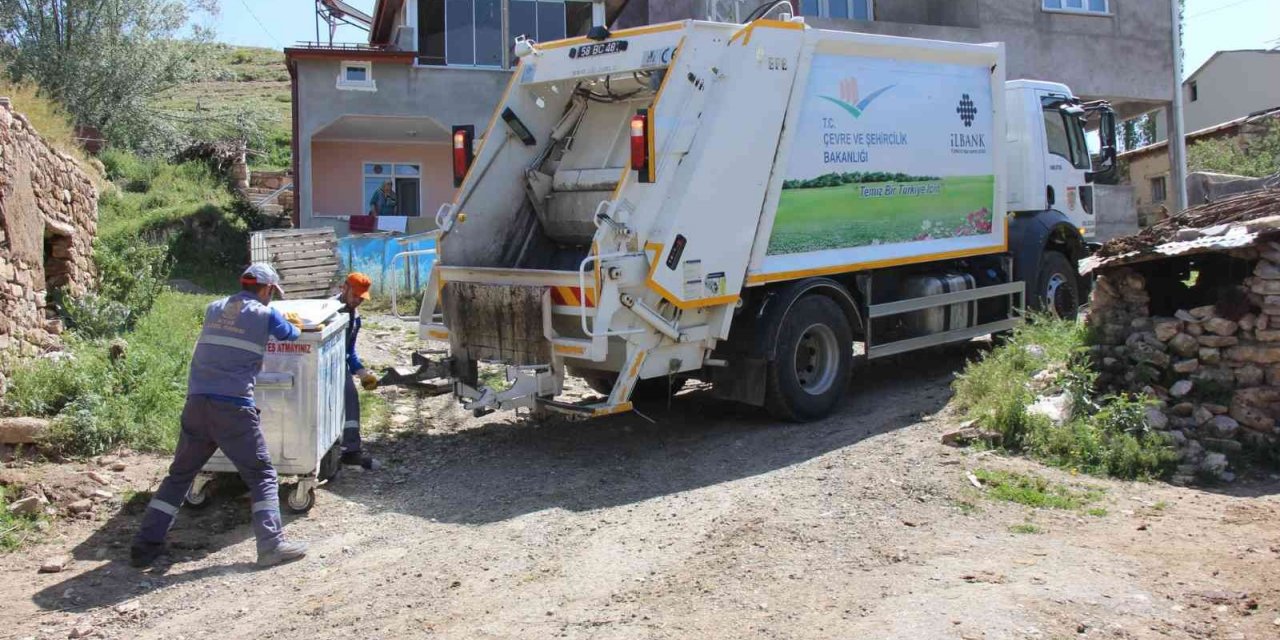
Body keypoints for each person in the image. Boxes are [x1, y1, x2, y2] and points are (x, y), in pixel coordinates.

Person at [131, 264, 309, 569]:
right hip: (233, 408)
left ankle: (144, 546)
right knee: (262, 474)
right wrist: (294, 321)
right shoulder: (266, 314)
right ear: (267, 290)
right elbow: (291, 334)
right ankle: (271, 545)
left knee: (180, 476)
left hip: (197, 403)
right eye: (271, 293)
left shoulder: (214, 308)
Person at [336, 272, 379, 469]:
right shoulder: (329, 311)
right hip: (322, 365)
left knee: (350, 398)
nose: (358, 300)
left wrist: (362, 372)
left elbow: (349, 350)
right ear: (344, 288)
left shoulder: (356, 318)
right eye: (355, 295)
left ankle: (350, 450)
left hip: (339, 366)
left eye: (362, 297)